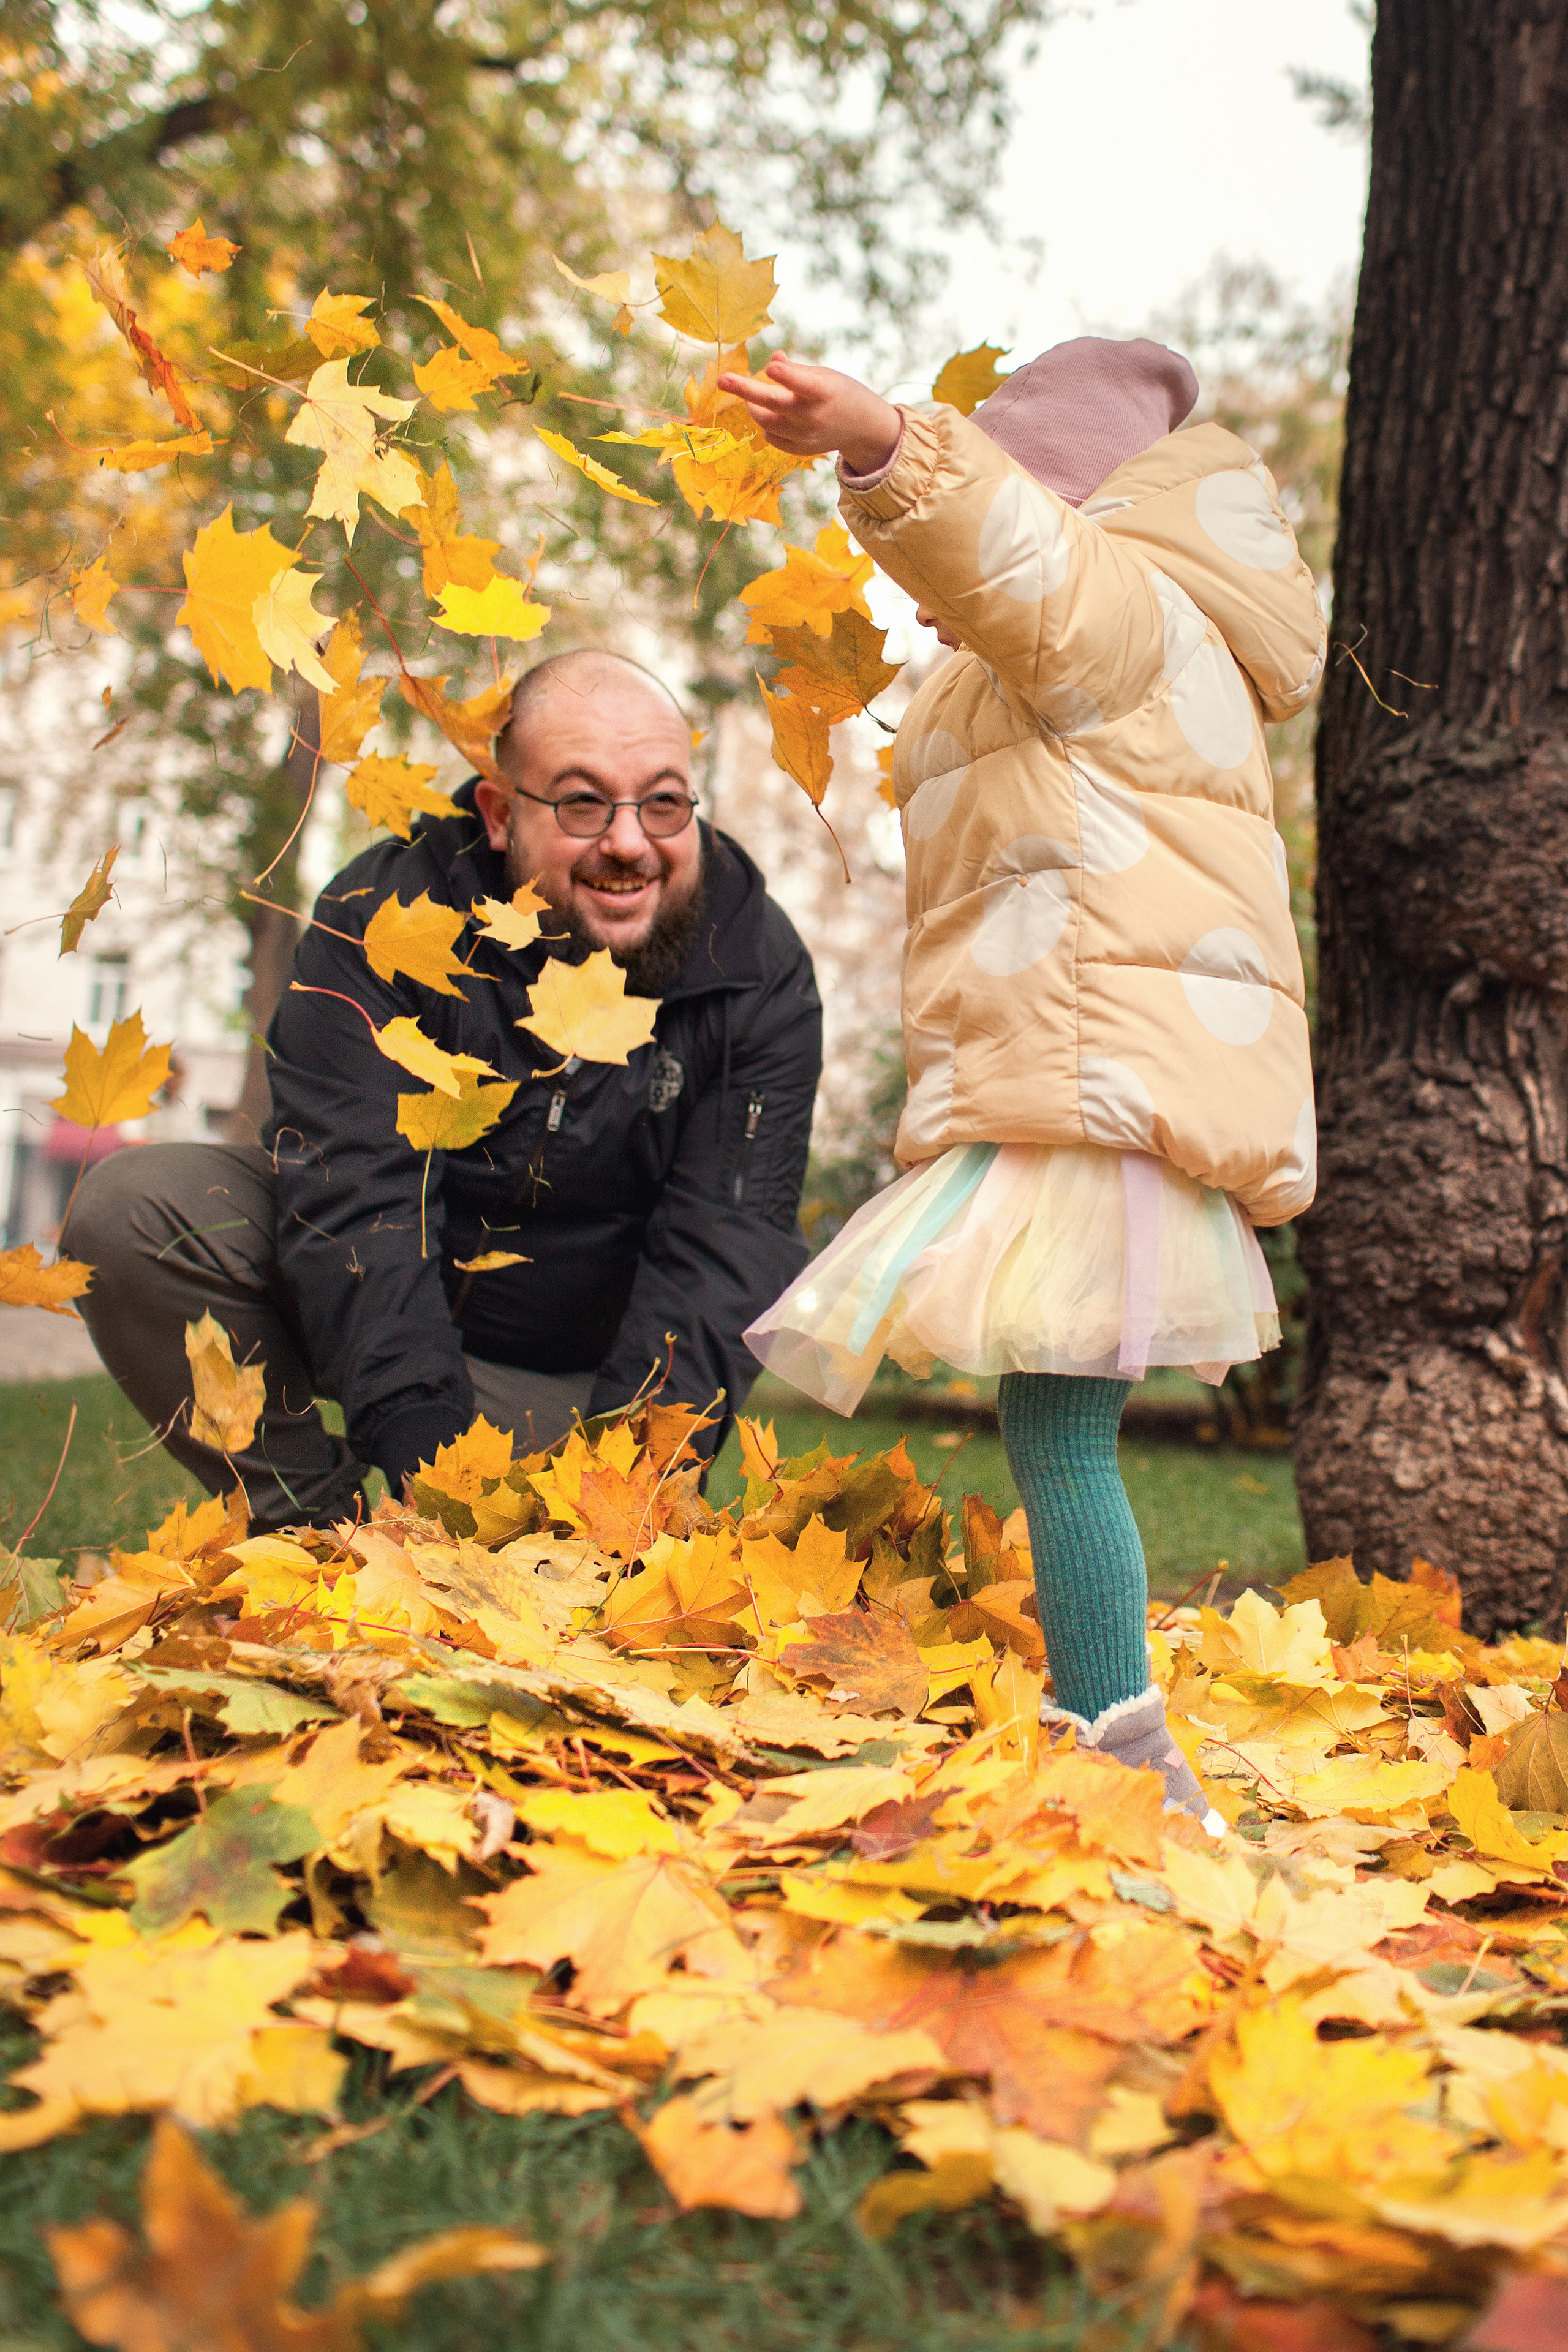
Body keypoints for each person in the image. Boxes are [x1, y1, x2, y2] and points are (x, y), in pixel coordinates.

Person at [725, 339, 1324, 1827]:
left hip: (1096, 1081)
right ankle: (1100, 1717)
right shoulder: (1054, 652)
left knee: (1057, 1426)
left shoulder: (1118, 609)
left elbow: (1014, 561)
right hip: (1075, 1068)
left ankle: (1115, 1739)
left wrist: (879, 441)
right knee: (1056, 1421)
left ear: (1063, 500)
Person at [66, 651, 823, 1529]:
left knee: (582, 1548)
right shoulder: (382, 919)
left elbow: (725, 1248)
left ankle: (566, 1533)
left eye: (663, 803)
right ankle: (317, 1530)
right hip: (373, 1330)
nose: (629, 842)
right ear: (501, 815)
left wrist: (629, 1489)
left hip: (573, 1393)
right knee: (130, 1210)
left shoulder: (754, 967)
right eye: (582, 802)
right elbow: (353, 1193)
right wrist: (430, 1453)